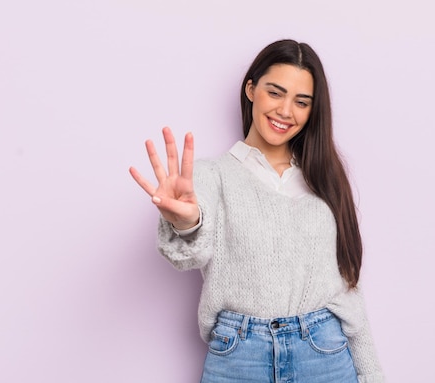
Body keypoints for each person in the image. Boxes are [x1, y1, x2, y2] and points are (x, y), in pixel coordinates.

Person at [129, 39, 385, 383]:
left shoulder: (324, 179)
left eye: (302, 102)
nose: (285, 111)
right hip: (240, 358)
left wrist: (372, 374)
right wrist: (186, 222)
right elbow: (191, 250)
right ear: (251, 89)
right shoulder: (210, 175)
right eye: (275, 93)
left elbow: (347, 287)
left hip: (324, 353)